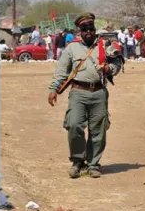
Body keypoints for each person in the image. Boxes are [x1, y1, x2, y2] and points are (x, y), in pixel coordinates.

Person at [47, 13, 123, 178]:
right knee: (74, 125)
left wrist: (109, 69)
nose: (88, 31)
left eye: (91, 28)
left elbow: (117, 62)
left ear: (94, 29)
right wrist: (54, 89)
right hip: (78, 93)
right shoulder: (71, 48)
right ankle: (77, 162)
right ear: (79, 31)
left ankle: (93, 164)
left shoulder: (105, 45)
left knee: (98, 130)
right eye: (84, 29)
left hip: (99, 92)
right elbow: (61, 72)